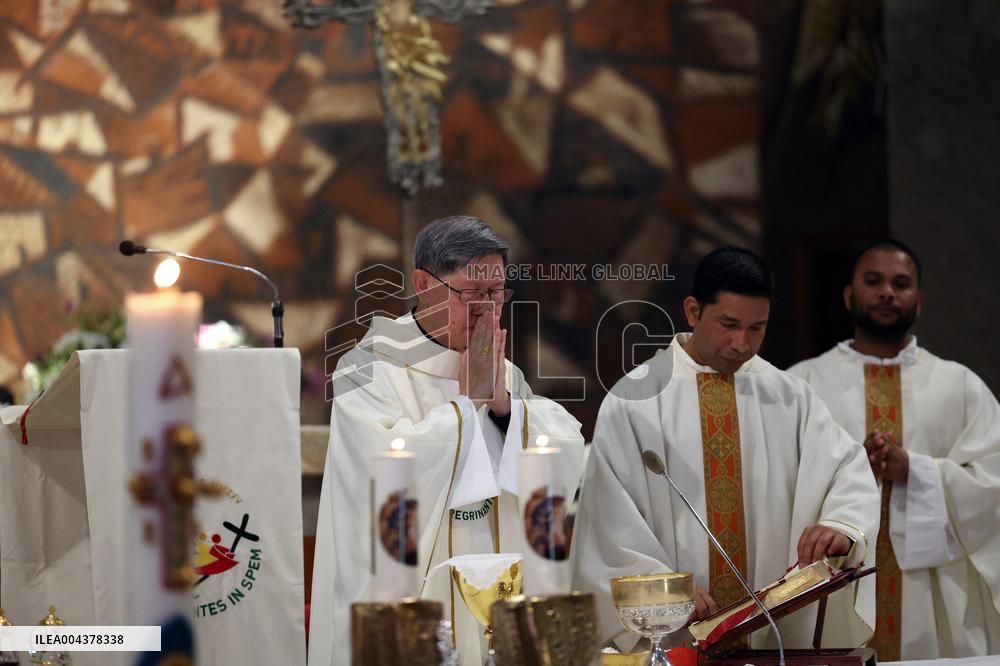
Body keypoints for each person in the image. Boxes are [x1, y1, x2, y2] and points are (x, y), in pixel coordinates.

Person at [308, 216, 585, 666]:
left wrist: (504, 406)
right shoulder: (368, 370)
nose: (487, 311)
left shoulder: (504, 372)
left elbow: (562, 455)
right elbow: (380, 481)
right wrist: (463, 405)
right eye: (471, 295)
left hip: (497, 603)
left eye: (496, 295)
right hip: (415, 600)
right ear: (422, 283)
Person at [572, 246, 881, 650]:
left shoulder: (788, 396)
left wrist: (840, 524)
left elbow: (846, 468)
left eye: (757, 328)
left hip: (774, 640)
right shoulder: (635, 400)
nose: (742, 343)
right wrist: (664, 588)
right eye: (728, 324)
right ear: (693, 311)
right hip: (678, 635)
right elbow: (608, 524)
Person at [789, 239, 1000, 660]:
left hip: (935, 592)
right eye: (873, 281)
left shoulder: (959, 385)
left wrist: (919, 472)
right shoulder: (803, 384)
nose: (887, 291)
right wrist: (849, 471)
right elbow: (778, 488)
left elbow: (993, 483)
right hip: (836, 587)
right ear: (850, 296)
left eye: (900, 283)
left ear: (917, 301)